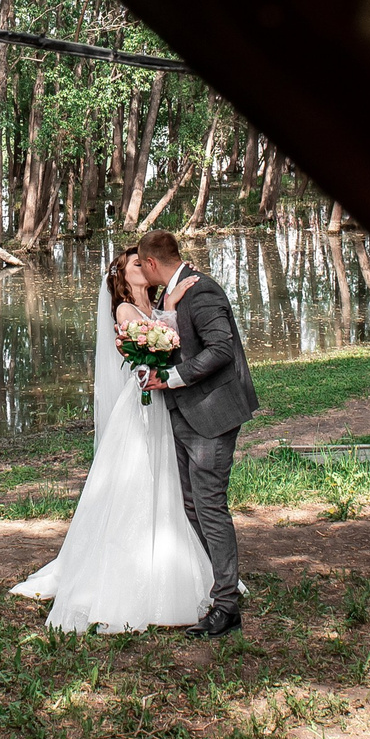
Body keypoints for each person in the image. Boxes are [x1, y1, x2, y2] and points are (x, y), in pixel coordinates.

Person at [10, 249, 214, 632]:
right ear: (123, 274)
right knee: (135, 480)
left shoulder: (151, 306)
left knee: (165, 480)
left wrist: (167, 305)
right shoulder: (123, 310)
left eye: (146, 262)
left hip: (160, 400)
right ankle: (124, 575)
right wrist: (168, 308)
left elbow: (170, 339)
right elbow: (157, 350)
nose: (145, 266)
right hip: (140, 404)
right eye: (137, 263)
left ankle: (172, 561)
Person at [133, 230, 258, 636]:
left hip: (213, 414)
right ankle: (221, 585)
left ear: (152, 263)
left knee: (209, 506)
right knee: (193, 506)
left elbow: (221, 349)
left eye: (141, 264)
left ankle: (227, 608)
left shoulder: (201, 292)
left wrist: (171, 377)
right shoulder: (173, 295)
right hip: (188, 412)